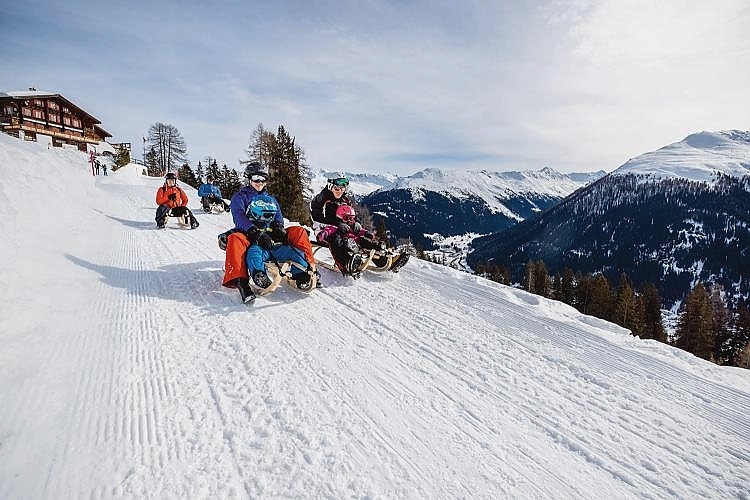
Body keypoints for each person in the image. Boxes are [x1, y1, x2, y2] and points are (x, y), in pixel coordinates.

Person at [221, 162, 313, 303]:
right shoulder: (240, 197)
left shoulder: (271, 199)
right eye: (256, 178)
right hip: (250, 235)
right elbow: (239, 217)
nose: (260, 182)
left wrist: (278, 228)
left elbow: (278, 216)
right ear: (249, 178)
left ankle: (305, 271)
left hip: (271, 237)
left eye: (263, 179)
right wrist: (254, 232)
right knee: (241, 244)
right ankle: (244, 281)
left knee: (296, 238)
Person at [310, 173, 369, 275]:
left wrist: (356, 224)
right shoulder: (321, 199)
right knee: (336, 239)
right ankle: (345, 263)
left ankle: (380, 258)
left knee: (358, 236)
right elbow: (316, 218)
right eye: (337, 188)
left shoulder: (344, 200)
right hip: (324, 231)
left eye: (342, 189)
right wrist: (337, 224)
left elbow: (352, 215)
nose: (340, 191)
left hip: (343, 229)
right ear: (330, 186)